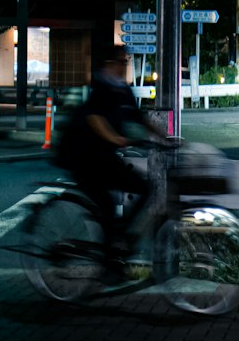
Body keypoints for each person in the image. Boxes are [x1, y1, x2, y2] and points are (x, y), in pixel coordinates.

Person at [54, 47, 167, 272]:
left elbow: (138, 117)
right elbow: (95, 119)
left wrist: (166, 138)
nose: (124, 66)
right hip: (83, 158)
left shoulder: (122, 89)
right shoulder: (101, 88)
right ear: (108, 64)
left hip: (104, 157)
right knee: (106, 204)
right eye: (121, 62)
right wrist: (116, 138)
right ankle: (109, 261)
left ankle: (120, 239)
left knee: (144, 187)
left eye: (126, 62)